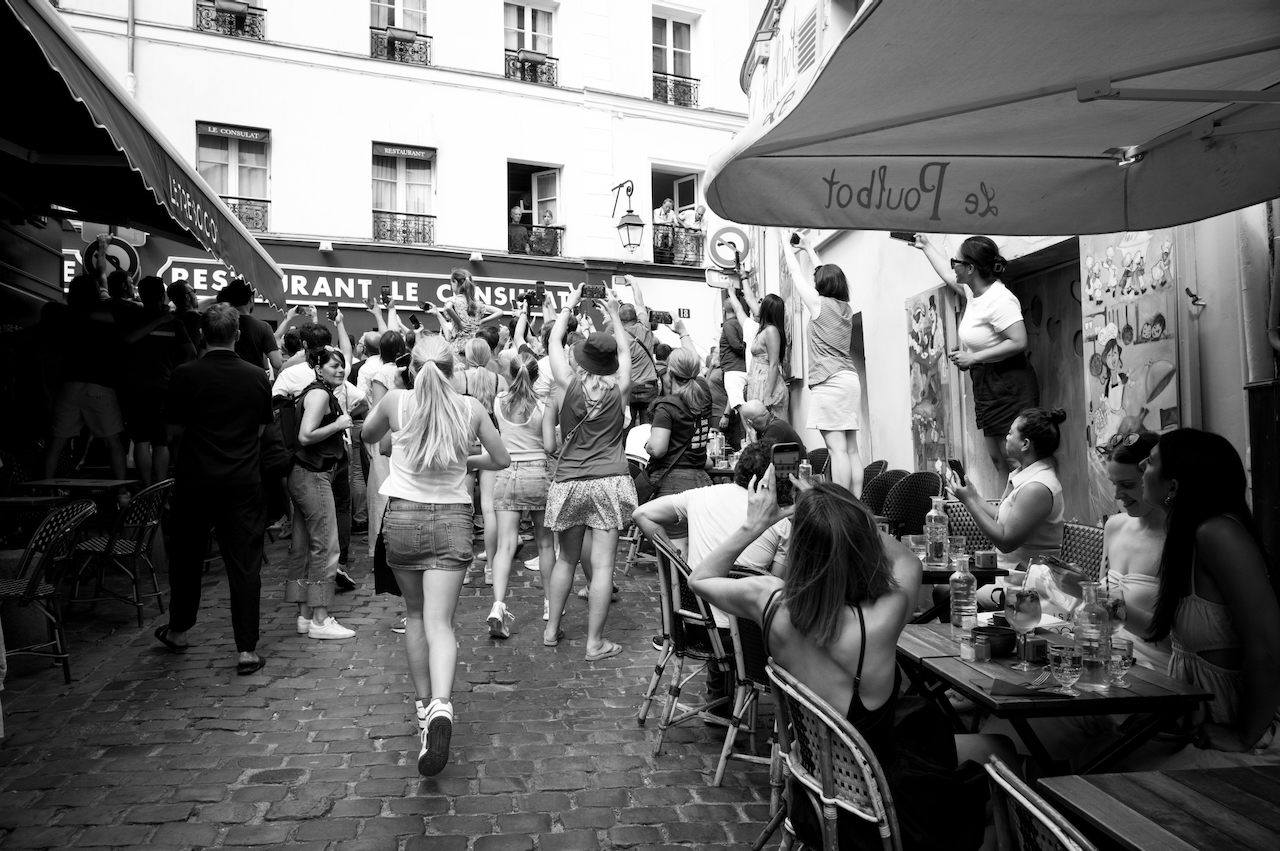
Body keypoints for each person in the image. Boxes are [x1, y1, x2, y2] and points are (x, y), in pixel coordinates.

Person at [689, 472, 1005, 851]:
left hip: (816, 800)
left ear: (798, 546)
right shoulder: (877, 623)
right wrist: (845, 513)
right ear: (861, 543)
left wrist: (755, 524)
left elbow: (700, 579)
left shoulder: (768, 600)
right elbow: (907, 561)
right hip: (882, 812)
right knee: (1001, 754)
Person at [361, 335, 510, 776]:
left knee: (415, 615)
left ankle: (425, 707)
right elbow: (501, 459)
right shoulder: (470, 409)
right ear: (452, 370)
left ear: (413, 369)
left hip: (403, 518)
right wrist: (464, 461)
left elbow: (368, 435)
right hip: (452, 519)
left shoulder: (396, 402)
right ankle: (443, 704)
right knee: (440, 623)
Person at [1136, 428, 1280, 768]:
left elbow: (1268, 649)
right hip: (1197, 721)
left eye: (1151, 461)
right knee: (1093, 751)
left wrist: (1243, 734)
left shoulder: (1218, 533)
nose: (1141, 464)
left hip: (1246, 730)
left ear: (1174, 487)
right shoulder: (1187, 534)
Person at [156, 303, 271, 674]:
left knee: (186, 559)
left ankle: (178, 630)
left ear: (202, 334)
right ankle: (246, 650)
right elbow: (259, 429)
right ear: (237, 334)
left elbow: (172, 430)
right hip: (242, 481)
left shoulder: (185, 374)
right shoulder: (257, 376)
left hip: (196, 479)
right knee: (245, 565)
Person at [542, 285, 636, 661]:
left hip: (570, 480)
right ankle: (594, 643)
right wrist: (613, 313)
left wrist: (568, 305)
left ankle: (552, 629)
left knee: (566, 559)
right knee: (602, 565)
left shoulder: (568, 384)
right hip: (610, 480)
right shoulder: (620, 388)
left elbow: (553, 341)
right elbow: (626, 352)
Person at [914, 235, 1038, 490]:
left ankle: (1024, 509)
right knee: (998, 459)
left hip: (1009, 383)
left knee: (1016, 460)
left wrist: (973, 357)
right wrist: (925, 245)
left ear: (970, 268)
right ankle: (1006, 508)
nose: (953, 266)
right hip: (986, 384)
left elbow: (1019, 341)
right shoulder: (974, 293)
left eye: (956, 262)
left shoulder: (1000, 299)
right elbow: (947, 275)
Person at [945, 408, 1066, 612]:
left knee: (948, 594)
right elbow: (1004, 518)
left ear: (1025, 444)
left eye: (1010, 433)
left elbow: (1005, 541)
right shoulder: (1025, 475)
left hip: (1025, 586)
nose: (1006, 438)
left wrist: (969, 503)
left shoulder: (1037, 488)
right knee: (945, 590)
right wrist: (974, 497)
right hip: (1005, 575)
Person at [783, 235, 864, 495]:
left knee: (836, 449)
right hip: (849, 380)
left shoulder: (819, 304)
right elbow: (825, 275)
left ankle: (841, 503)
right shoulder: (846, 308)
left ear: (822, 285)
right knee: (851, 449)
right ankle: (856, 501)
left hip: (829, 381)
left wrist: (784, 242)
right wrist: (808, 247)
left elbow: (795, 272)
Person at [286, 346, 357, 640]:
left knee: (303, 545)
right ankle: (320, 618)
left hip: (305, 475)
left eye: (342, 366)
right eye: (333, 366)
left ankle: (305, 616)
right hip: (313, 475)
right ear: (318, 368)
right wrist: (338, 424)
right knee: (326, 546)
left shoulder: (316, 391)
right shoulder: (320, 394)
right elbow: (306, 436)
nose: (340, 370)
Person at [489, 352, 557, 638]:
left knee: (505, 546)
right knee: (545, 544)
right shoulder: (545, 404)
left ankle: (498, 605)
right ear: (537, 375)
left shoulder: (498, 401)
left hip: (506, 474)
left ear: (510, 373)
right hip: (537, 474)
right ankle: (550, 604)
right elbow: (550, 447)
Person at [1101, 432, 1171, 672]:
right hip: (1108, 658)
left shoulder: (1181, 540)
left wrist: (1090, 596)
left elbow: (1180, 642)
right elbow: (1103, 605)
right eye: (1114, 484)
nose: (1117, 495)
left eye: (1128, 485)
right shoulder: (1114, 526)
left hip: (1156, 669)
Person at [118, 276, 197, 487]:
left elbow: (125, 340)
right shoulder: (174, 323)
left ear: (142, 295)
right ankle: (159, 490)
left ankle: (146, 487)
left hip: (135, 388)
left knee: (141, 440)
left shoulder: (133, 318)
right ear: (162, 296)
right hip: (163, 387)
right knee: (161, 442)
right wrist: (176, 376)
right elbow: (190, 352)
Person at [642, 348, 714, 553]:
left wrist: (648, 444)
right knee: (698, 548)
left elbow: (657, 449)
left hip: (674, 483)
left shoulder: (667, 406)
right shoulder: (703, 401)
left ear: (670, 373)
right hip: (702, 481)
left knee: (677, 551)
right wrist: (683, 333)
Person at [455, 338, 506, 578]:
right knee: (489, 508)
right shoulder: (499, 380)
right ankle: (491, 568)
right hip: (491, 444)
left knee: (464, 507)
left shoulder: (459, 379)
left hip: (465, 444)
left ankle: (463, 570)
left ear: (467, 356)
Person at [219, 278, 282, 376]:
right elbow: (277, 363)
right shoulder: (263, 327)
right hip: (253, 379)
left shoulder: (221, 323)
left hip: (222, 376)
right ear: (251, 299)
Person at [744, 293, 788, 423]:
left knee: (770, 427)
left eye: (761, 304)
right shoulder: (763, 329)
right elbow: (749, 299)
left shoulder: (771, 331)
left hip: (767, 386)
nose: (758, 306)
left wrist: (768, 395)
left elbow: (774, 364)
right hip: (758, 383)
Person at [444, 268, 502, 354]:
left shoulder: (454, 300)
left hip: (458, 345)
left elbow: (448, 307)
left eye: (451, 283)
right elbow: (499, 312)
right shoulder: (476, 303)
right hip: (473, 346)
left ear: (455, 282)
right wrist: (482, 321)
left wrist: (459, 322)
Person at [718, 290, 750, 438]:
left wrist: (745, 351)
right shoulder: (742, 323)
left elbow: (736, 345)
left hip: (733, 370)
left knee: (739, 406)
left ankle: (750, 437)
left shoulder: (729, 325)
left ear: (724, 311)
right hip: (742, 369)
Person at [740, 400, 806, 458]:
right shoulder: (773, 425)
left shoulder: (774, 429)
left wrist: (754, 441)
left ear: (749, 422)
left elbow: (761, 462)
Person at [653, 198, 676, 262]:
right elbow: (657, 221)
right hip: (659, 236)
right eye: (666, 207)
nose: (668, 209)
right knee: (658, 253)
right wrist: (669, 222)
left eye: (670, 207)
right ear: (663, 205)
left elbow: (675, 223)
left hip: (668, 237)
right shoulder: (656, 211)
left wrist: (672, 223)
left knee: (667, 255)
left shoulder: (672, 212)